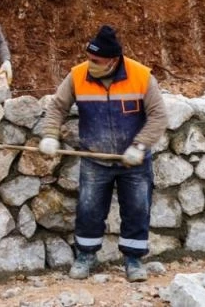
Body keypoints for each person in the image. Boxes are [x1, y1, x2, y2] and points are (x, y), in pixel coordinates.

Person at [37, 25, 167, 283]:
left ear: (113, 60)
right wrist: (50, 134)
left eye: (96, 60)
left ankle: (133, 259)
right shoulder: (78, 75)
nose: (90, 64)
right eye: (89, 58)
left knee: (137, 209)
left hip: (134, 162)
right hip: (95, 159)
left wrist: (139, 146)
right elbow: (57, 108)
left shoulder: (140, 76)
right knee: (89, 209)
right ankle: (86, 255)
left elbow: (158, 116)